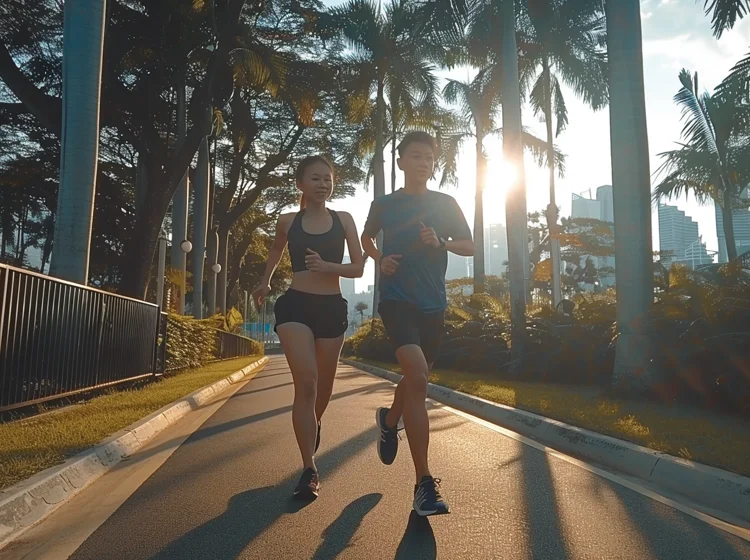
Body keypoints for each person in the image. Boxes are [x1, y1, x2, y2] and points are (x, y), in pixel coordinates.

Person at [361, 131, 474, 517]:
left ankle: (389, 420)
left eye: (428, 157)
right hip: (396, 300)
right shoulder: (385, 204)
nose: (423, 162)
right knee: (419, 377)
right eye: (415, 155)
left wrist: (441, 242)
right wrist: (379, 259)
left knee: (415, 380)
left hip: (433, 304)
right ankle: (424, 484)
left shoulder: (445, 203)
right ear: (401, 161)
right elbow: (365, 237)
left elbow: (468, 245)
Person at [253, 155, 364, 500]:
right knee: (307, 381)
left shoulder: (344, 220)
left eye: (327, 179)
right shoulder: (287, 221)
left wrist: (328, 265)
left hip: (332, 309)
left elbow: (359, 267)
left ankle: (312, 425)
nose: (322, 184)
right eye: (314, 179)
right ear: (300, 183)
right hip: (295, 306)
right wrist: (264, 282)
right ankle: (309, 469)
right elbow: (274, 252)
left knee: (324, 389)